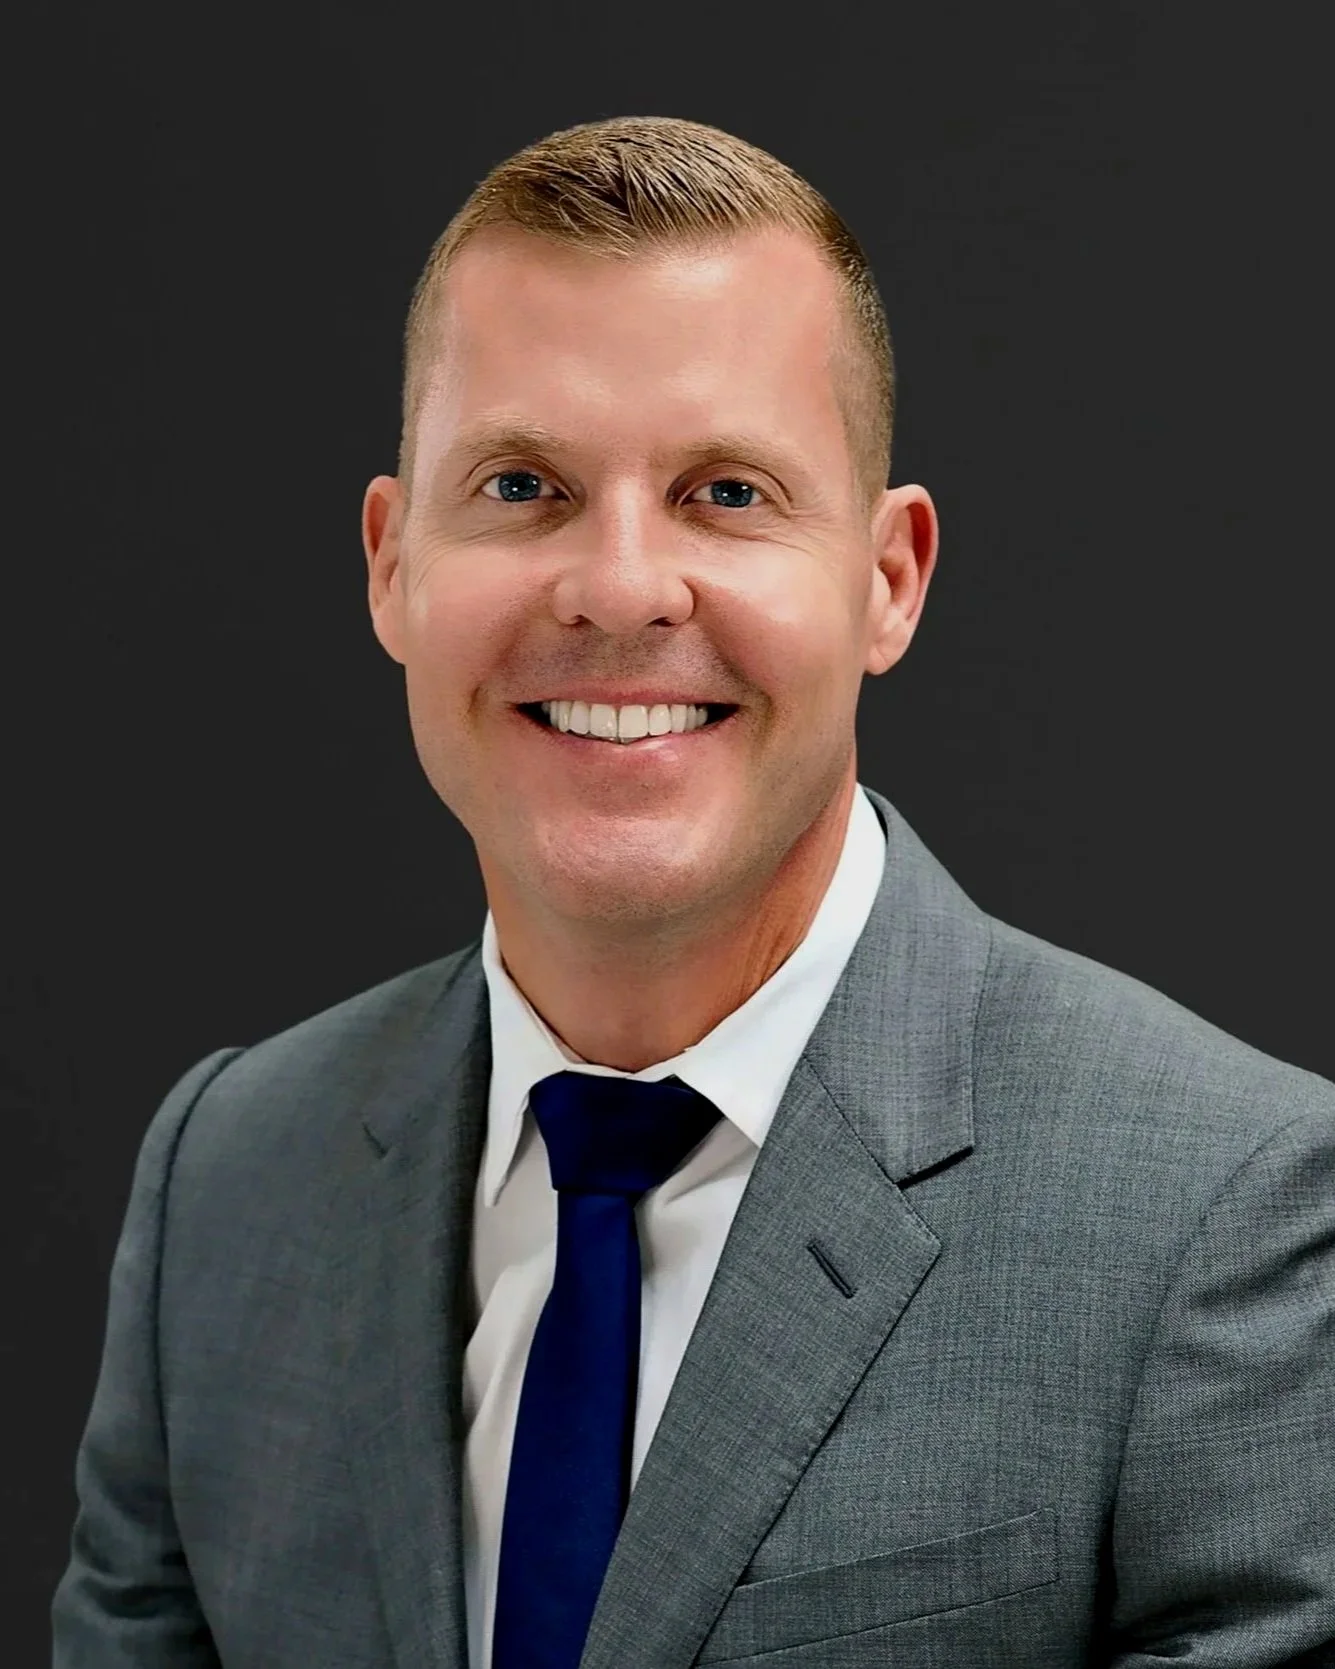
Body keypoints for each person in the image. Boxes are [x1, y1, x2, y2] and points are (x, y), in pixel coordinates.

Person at [52, 115, 1333, 1669]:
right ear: (393, 567)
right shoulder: (228, 1180)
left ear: (887, 580)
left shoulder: (1231, 1212)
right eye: (521, 483)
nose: (617, 586)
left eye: (726, 492)